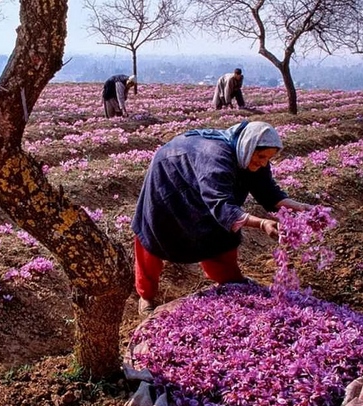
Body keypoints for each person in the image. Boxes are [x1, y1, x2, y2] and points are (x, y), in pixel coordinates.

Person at [131, 121, 313, 316]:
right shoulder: (216, 157)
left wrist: (298, 207)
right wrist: (261, 223)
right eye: (261, 157)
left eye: (268, 159)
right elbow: (221, 205)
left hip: (202, 180)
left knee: (219, 232)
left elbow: (268, 190)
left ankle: (229, 279)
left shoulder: (248, 153)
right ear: (249, 146)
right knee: (156, 234)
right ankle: (146, 296)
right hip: (169, 177)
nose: (263, 163)